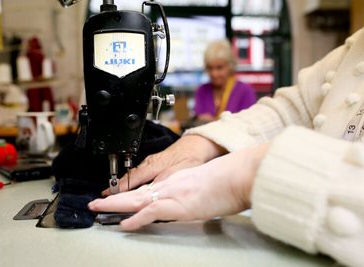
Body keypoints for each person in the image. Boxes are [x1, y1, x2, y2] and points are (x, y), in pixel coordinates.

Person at [88, 28, 364, 267]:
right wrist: (201, 143)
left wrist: (248, 175)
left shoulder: (241, 88)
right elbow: (293, 107)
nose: (215, 73)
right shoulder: (356, 46)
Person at [194, 39, 256, 122]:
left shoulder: (245, 91)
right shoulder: (202, 91)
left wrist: (211, 121)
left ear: (230, 66)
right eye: (210, 68)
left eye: (219, 68)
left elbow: (248, 124)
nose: (214, 74)